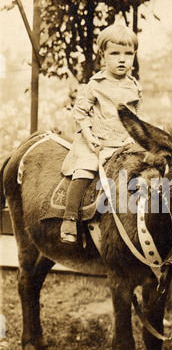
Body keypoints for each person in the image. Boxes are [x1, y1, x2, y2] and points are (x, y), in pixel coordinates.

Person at [60, 24, 142, 243]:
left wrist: (136, 138)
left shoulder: (134, 87)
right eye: (114, 54)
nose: (122, 59)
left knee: (139, 173)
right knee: (84, 172)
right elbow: (79, 112)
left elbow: (135, 117)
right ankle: (69, 219)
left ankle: (129, 224)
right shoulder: (95, 85)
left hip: (122, 143)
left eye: (128, 54)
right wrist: (88, 134)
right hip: (95, 142)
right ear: (103, 55)